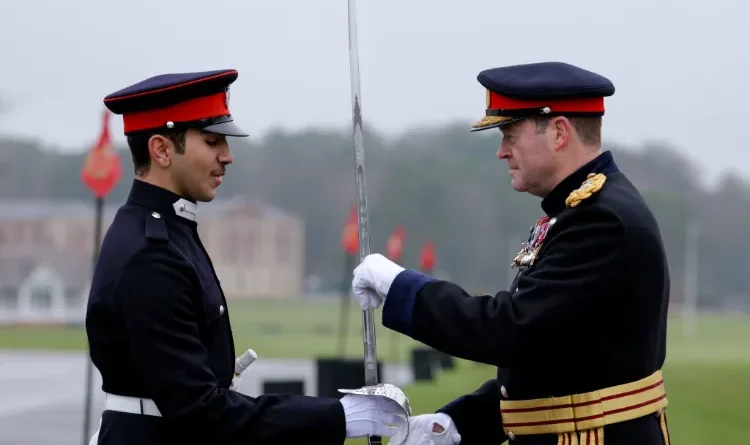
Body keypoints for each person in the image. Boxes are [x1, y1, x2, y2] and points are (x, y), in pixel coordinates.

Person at [352, 62, 672, 445]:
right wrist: (459, 423)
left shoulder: (601, 221)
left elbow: (513, 330)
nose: (502, 153)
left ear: (558, 132)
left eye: (511, 135)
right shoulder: (580, 212)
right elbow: (555, 358)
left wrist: (402, 286)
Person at [85, 69, 408, 445]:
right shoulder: (150, 253)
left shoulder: (170, 230)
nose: (228, 156)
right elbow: (201, 410)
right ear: (161, 150)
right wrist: (338, 417)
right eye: (212, 141)